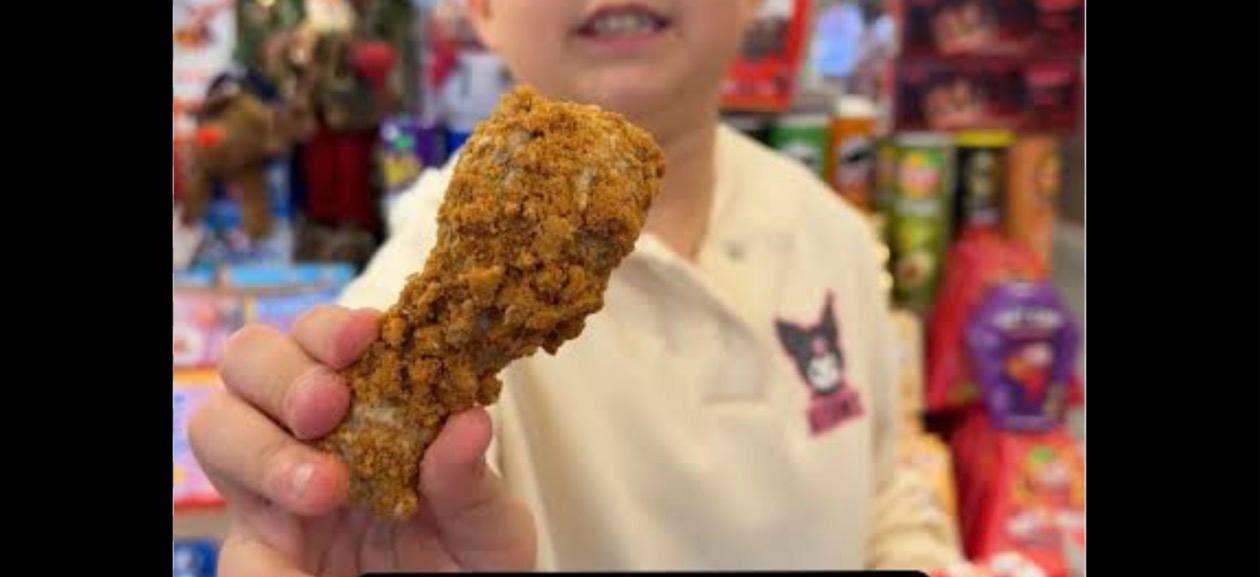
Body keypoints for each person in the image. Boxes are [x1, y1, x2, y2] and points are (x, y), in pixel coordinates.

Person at [188, 1, 962, 573]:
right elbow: (365, 478)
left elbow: (883, 490)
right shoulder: (409, 288)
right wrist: (314, 491)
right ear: (483, 10)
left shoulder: (836, 232)